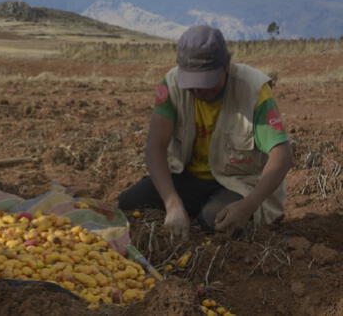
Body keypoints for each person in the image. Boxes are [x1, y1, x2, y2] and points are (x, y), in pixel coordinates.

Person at [118, 25, 292, 240]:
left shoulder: (253, 89)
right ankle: (186, 210)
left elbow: (281, 155)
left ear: (226, 67)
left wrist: (248, 206)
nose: (199, 91)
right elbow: (156, 145)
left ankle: (205, 215)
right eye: (193, 85)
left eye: (207, 83)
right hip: (188, 177)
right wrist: (172, 203)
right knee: (127, 204)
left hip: (236, 182)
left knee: (215, 222)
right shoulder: (171, 86)